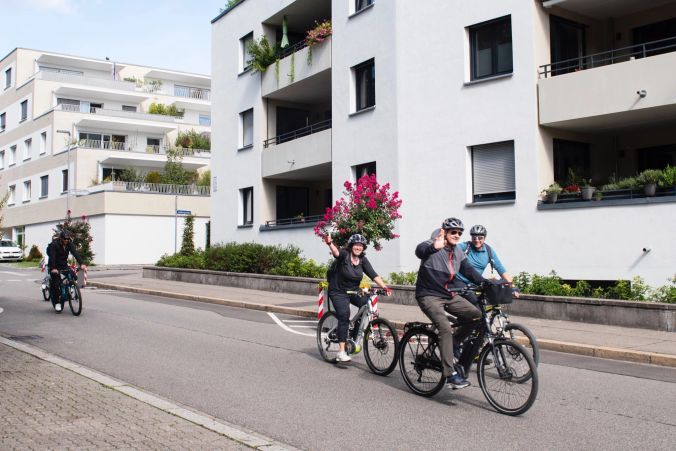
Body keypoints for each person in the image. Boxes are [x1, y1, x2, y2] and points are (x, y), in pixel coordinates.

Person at [415, 217, 487, 389]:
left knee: (477, 316)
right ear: (445, 233)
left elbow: (469, 271)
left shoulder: (458, 252)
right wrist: (434, 247)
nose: (456, 235)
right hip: (428, 295)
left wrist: (486, 283)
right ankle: (450, 375)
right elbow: (419, 251)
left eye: (459, 233)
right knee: (445, 327)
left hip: (448, 294)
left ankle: (454, 342)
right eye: (453, 232)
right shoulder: (432, 245)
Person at [324, 233, 391, 363]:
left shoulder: (362, 260)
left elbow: (373, 275)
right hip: (338, 291)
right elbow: (336, 252)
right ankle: (341, 351)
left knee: (365, 304)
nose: (358, 248)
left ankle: (354, 337)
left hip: (353, 291)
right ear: (351, 246)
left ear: (363, 248)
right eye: (356, 245)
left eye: (361, 246)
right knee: (344, 315)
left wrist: (385, 287)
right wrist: (329, 243)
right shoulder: (344, 255)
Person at [457, 224, 517, 306]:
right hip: (459, 282)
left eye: (480, 238)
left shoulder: (489, 251)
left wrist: (512, 287)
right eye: (474, 238)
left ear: (484, 238)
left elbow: (501, 269)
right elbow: (451, 248)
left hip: (475, 283)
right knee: (476, 307)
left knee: (485, 303)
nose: (477, 240)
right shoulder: (466, 247)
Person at [47, 230, 87, 313]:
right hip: (54, 265)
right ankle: (57, 302)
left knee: (73, 275)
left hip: (63, 264)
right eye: (64, 239)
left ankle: (72, 287)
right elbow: (52, 257)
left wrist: (82, 263)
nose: (66, 241)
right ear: (61, 238)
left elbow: (75, 253)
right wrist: (53, 268)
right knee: (56, 283)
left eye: (67, 239)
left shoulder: (69, 244)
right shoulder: (54, 245)